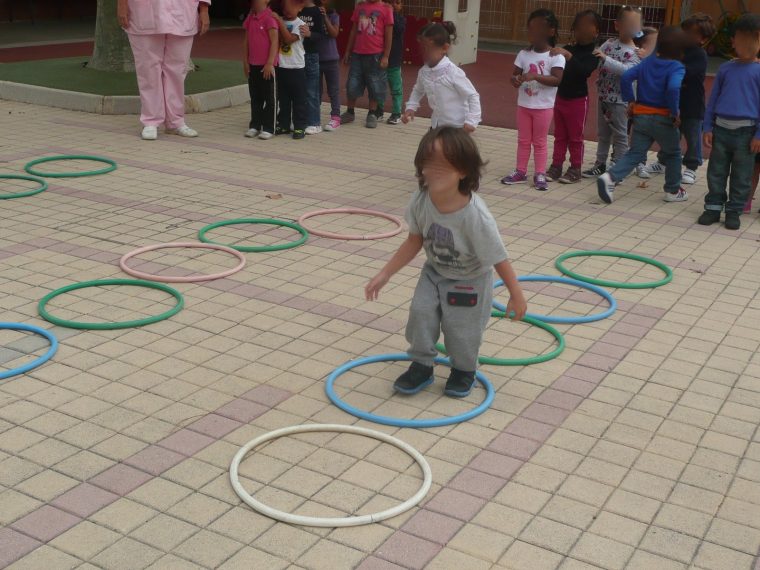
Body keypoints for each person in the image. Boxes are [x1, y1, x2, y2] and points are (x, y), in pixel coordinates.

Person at [364, 127, 527, 397]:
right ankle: (421, 365)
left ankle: (464, 370)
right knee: (420, 315)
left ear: (463, 170)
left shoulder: (475, 216)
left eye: (444, 165)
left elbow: (498, 257)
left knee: (462, 331)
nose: (434, 171)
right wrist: (385, 273)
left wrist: (516, 295)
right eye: (429, 164)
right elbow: (414, 241)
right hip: (434, 272)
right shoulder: (420, 200)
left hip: (470, 280)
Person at [597, 26, 688, 204]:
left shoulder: (647, 62)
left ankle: (610, 178)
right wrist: (675, 111)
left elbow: (626, 78)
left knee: (635, 153)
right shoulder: (677, 67)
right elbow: (673, 88)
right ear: (681, 50)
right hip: (663, 118)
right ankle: (673, 190)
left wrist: (631, 101)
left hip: (641, 116)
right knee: (674, 154)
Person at [697, 14, 760, 230]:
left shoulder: (759, 71)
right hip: (721, 129)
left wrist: (758, 135)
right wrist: (708, 127)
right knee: (716, 170)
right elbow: (713, 100)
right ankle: (713, 207)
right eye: (735, 38)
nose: (736, 43)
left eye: (742, 39)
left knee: (742, 175)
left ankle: (733, 210)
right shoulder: (725, 69)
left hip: (747, 133)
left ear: (757, 39)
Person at [118, 0, 210, 140]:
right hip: (144, 13)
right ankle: (151, 120)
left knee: (177, 71)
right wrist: (122, 4)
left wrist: (204, 10)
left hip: (182, 12)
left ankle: (175, 121)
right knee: (148, 71)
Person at [638, 14, 714, 184]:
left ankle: (692, 167)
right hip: (672, 103)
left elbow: (687, 72)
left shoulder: (699, 54)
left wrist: (669, 70)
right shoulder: (675, 51)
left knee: (692, 136)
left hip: (692, 105)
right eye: (683, 31)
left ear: (702, 39)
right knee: (670, 133)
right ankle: (663, 161)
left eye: (690, 33)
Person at [501, 9, 565, 191]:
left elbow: (557, 80)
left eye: (538, 29)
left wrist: (534, 77)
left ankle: (540, 174)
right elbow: (514, 77)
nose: (533, 33)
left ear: (551, 32)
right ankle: (520, 171)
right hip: (524, 105)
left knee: (540, 141)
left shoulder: (556, 56)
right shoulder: (523, 54)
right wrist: (516, 80)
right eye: (530, 29)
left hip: (543, 107)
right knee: (523, 140)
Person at [583, 5, 642, 177]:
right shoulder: (609, 43)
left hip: (620, 101)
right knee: (603, 134)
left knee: (620, 135)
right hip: (604, 97)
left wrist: (606, 59)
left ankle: (619, 168)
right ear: (617, 25)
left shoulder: (636, 53)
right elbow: (596, 56)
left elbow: (628, 72)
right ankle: (600, 164)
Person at [546, 9, 601, 184]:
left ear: (596, 31)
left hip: (578, 100)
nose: (581, 29)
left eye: (587, 26)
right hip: (561, 97)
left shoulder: (594, 54)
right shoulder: (568, 48)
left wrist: (569, 56)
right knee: (560, 135)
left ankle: (575, 168)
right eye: (578, 26)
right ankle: (556, 166)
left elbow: (584, 71)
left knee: (575, 137)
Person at [402, 22, 481, 132]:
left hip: (458, 127)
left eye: (428, 48)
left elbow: (472, 95)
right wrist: (411, 107)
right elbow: (418, 90)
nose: (423, 52)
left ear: (444, 48)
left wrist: (472, 121)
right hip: (437, 126)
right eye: (421, 48)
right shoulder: (424, 72)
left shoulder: (453, 72)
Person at [340, 0, 394, 128]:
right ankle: (350, 112)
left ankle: (372, 113)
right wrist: (348, 50)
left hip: (376, 54)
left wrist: (386, 56)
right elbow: (353, 30)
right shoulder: (360, 7)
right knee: (352, 82)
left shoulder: (386, 9)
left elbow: (389, 35)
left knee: (374, 84)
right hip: (357, 54)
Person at [243, 0, 279, 140]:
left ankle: (269, 127)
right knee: (255, 97)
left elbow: (275, 41)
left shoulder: (270, 18)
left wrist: (270, 63)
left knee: (270, 98)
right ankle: (255, 125)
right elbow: (246, 41)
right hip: (253, 65)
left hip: (267, 66)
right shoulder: (250, 17)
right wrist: (245, 61)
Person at [274, 7, 310, 139]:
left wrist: (278, 21)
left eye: (291, 5)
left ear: (299, 7)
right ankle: (283, 124)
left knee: (299, 99)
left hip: (297, 67)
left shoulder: (300, 24)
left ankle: (300, 127)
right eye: (285, 4)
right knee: (283, 99)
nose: (287, 9)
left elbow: (289, 39)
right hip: (282, 66)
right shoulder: (280, 20)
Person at [299, 0, 327, 135]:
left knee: (311, 91)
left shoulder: (316, 11)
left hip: (311, 55)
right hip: (297, 55)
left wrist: (310, 34)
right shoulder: (297, 9)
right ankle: (301, 119)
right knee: (299, 90)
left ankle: (314, 122)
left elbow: (321, 35)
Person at [380, 0, 406, 124]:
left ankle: (396, 113)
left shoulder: (400, 19)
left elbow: (399, 29)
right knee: (379, 86)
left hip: (394, 60)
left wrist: (391, 13)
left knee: (396, 88)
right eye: (391, 2)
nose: (394, 5)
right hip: (380, 58)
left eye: (398, 2)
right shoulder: (381, 17)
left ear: (401, 6)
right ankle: (378, 111)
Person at [318, 0, 342, 131]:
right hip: (315, 58)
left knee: (333, 91)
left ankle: (335, 117)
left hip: (331, 59)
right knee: (316, 91)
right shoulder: (312, 13)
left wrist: (325, 17)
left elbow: (334, 33)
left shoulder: (334, 15)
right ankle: (314, 117)